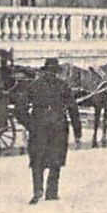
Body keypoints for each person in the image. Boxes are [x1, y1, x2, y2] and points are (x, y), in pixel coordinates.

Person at [16, 57, 82, 204]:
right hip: (59, 126)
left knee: (37, 159)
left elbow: (20, 109)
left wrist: (30, 124)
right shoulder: (63, 86)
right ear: (56, 72)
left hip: (39, 127)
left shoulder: (33, 86)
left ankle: (38, 190)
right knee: (56, 160)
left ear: (45, 71)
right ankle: (51, 192)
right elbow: (73, 110)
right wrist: (78, 133)